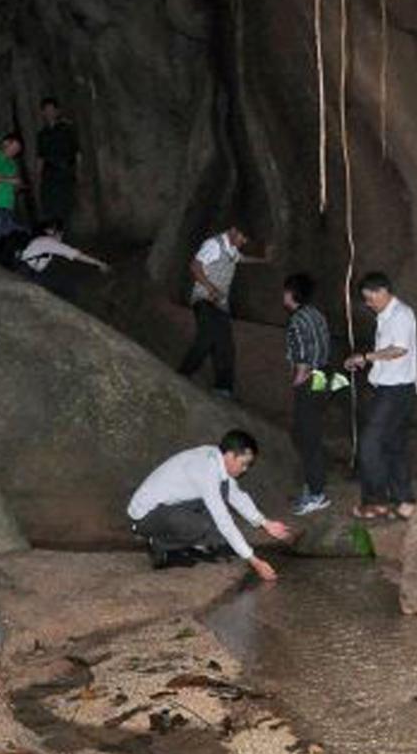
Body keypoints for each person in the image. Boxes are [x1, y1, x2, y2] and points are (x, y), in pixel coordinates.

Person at [126, 430, 293, 579]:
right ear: (230, 456)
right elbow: (223, 519)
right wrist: (254, 561)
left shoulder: (216, 457)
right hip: (145, 517)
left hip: (167, 508)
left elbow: (236, 496)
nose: (245, 469)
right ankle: (159, 544)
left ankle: (185, 543)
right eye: (243, 463)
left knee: (218, 513)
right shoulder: (206, 468)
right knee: (203, 526)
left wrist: (265, 523)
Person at [343, 272, 417, 520]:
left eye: (370, 298)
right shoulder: (386, 316)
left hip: (396, 390)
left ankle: (376, 501)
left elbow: (399, 349)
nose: (368, 304)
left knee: (369, 444)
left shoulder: (400, 315)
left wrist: (366, 357)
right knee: (394, 445)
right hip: (391, 388)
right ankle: (404, 501)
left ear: (382, 292)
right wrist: (366, 361)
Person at [176, 226, 267, 396]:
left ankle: (223, 387)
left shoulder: (232, 250)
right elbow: (195, 266)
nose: (243, 242)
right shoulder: (214, 244)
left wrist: (263, 260)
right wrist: (211, 288)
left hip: (221, 305)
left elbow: (242, 259)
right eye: (242, 238)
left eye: (245, 240)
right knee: (207, 335)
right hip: (204, 299)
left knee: (226, 345)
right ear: (233, 231)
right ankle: (183, 373)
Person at [282, 273, 335, 515]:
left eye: (285, 291)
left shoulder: (297, 320)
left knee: (308, 436)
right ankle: (312, 486)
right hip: (324, 376)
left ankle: (316, 494)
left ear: (291, 294)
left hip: (310, 378)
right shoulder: (316, 314)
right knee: (310, 432)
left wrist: (299, 378)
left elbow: (302, 354)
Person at [15, 219, 110, 298]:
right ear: (50, 231)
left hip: (23, 268)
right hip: (27, 273)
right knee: (67, 285)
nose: (61, 236)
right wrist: (100, 263)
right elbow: (77, 255)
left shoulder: (39, 238)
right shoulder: (49, 242)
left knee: (55, 276)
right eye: (60, 233)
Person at [34, 96, 79, 228]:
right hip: (49, 174)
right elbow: (40, 156)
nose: (49, 113)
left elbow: (77, 152)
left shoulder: (67, 129)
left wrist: (78, 171)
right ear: (42, 113)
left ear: (57, 111)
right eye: (46, 110)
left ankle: (64, 233)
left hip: (65, 172)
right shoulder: (42, 134)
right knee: (49, 205)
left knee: (65, 205)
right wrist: (38, 176)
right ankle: (52, 234)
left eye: (52, 109)